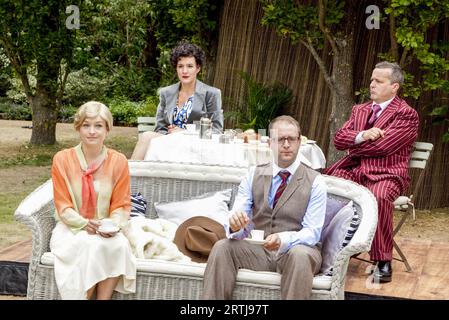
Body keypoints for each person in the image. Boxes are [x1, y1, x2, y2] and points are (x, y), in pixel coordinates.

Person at [202, 115, 327, 300]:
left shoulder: (316, 181)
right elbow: (239, 214)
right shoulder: (253, 174)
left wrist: (283, 239)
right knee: (223, 247)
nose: (286, 144)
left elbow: (312, 233)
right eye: (280, 139)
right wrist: (236, 225)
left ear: (299, 142)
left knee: (300, 255)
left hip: (297, 252)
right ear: (270, 142)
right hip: (259, 250)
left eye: (291, 139)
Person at [324, 61, 419, 283]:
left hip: (386, 174)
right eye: (371, 80)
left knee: (378, 196)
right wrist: (363, 135)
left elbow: (383, 147)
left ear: (394, 87)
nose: (372, 84)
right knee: (324, 187)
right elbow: (339, 139)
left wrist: (354, 143)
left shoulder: (406, 114)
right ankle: (325, 248)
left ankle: (382, 260)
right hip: (354, 171)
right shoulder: (360, 110)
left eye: (379, 81)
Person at [50, 101, 136, 299]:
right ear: (78, 128)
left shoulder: (118, 161)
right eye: (86, 125)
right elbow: (63, 206)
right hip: (71, 228)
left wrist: (111, 226)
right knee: (91, 246)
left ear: (107, 129)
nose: (92, 131)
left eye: (98, 126)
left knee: (119, 244)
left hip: (105, 226)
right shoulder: (62, 159)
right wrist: (84, 224)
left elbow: (122, 204)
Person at [131, 42, 223, 160]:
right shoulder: (166, 93)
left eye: (190, 66)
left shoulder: (211, 94)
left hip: (196, 146)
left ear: (198, 68)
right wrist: (172, 137)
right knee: (146, 136)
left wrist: (184, 133)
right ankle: (130, 176)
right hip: (169, 143)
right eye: (180, 66)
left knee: (148, 137)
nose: (185, 71)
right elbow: (160, 128)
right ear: (176, 68)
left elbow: (217, 129)